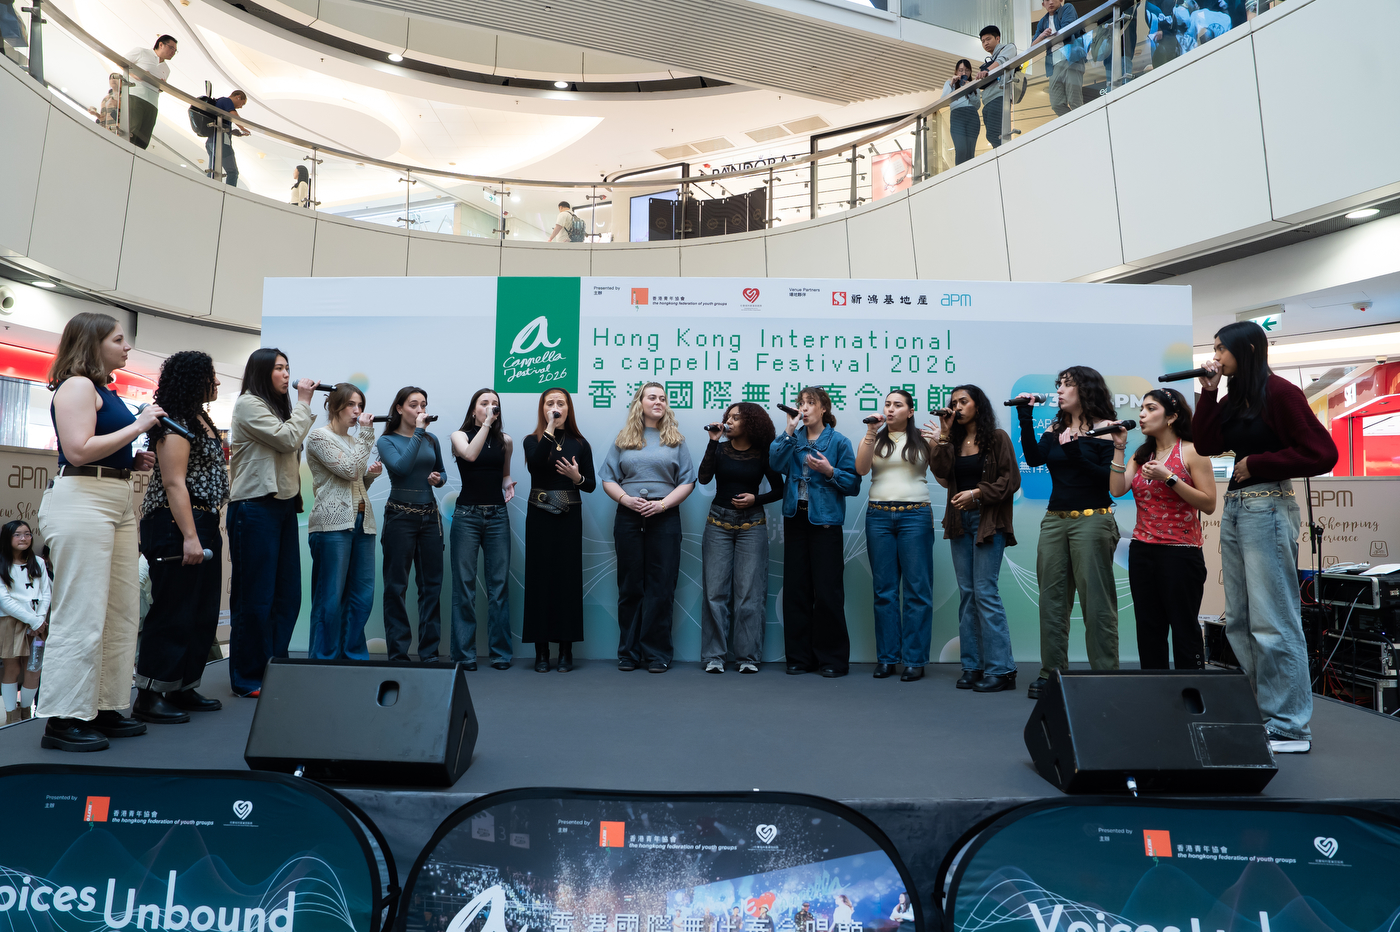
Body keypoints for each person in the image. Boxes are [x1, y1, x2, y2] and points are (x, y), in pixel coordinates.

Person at [1194, 321, 1337, 753]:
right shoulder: (1236, 397)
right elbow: (1205, 443)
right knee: (1239, 620)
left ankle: (1290, 726)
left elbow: (1323, 452)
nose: (1216, 356)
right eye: (1214, 349)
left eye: (1222, 349)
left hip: (1268, 505)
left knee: (1273, 620)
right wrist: (1207, 393)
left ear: (1249, 349)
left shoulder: (1280, 392)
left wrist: (1258, 463)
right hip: (1239, 508)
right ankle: (1266, 714)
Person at [35, 312, 159, 750]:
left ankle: (103, 706)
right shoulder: (76, 385)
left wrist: (130, 458)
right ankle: (63, 717)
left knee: (120, 609)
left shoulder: (104, 389)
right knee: (82, 611)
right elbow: (77, 450)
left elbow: (100, 446)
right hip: (82, 499)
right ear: (93, 343)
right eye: (119, 340)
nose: (127, 347)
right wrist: (139, 427)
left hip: (115, 495)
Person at [132, 351, 229, 724]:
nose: (216, 381)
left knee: (201, 609)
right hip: (175, 523)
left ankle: (182, 685)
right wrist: (189, 535)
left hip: (202, 519)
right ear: (191, 380)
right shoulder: (175, 422)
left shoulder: (200, 418)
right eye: (210, 375)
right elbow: (174, 483)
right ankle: (150, 694)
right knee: (173, 608)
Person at [1015, 366, 1119, 699]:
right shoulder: (1056, 427)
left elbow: (1109, 481)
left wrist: (1076, 454)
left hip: (1093, 519)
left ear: (1085, 389)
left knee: (1096, 601)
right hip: (1054, 519)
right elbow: (1034, 459)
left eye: (1067, 385)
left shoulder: (1107, 429)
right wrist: (1025, 416)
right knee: (1052, 601)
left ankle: (1106, 675)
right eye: (1058, 385)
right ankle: (1051, 673)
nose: (1059, 390)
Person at [1105, 388, 1215, 671]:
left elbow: (1209, 504)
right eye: (1141, 408)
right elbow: (1117, 489)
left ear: (1172, 417)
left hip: (1180, 553)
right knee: (1149, 629)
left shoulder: (1192, 451)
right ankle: (1155, 690)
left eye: (1151, 408)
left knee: (1183, 628)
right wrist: (1119, 448)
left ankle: (1191, 690)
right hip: (1142, 552)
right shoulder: (1141, 455)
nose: (1142, 414)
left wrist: (1169, 478)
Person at [227, 348, 316, 698]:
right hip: (254, 507)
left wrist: (299, 408)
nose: (286, 374)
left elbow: (289, 441)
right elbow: (288, 439)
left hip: (281, 507)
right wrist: (304, 402)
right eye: (279, 368)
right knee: (255, 597)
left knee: (287, 595)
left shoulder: (279, 410)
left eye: (288, 368)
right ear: (262, 372)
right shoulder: (249, 404)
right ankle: (248, 677)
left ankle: (274, 667)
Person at [599, 382, 696, 673]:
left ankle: (657, 654)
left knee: (661, 586)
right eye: (652, 397)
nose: (658, 402)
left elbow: (688, 482)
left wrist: (662, 505)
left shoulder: (676, 440)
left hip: (665, 516)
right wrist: (626, 500)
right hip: (629, 516)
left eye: (663, 398)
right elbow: (608, 479)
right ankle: (628, 653)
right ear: (639, 403)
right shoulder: (623, 438)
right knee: (630, 586)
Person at [929, 384, 1021, 692]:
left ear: (977, 406)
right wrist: (944, 434)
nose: (956, 407)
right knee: (967, 593)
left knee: (984, 591)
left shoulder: (997, 438)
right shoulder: (952, 441)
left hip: (988, 521)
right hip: (959, 522)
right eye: (953, 402)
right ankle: (972, 666)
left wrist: (978, 493)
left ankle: (1002, 670)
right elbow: (941, 471)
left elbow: (1011, 480)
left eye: (963, 401)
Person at [771, 386, 860, 678]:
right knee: (796, 590)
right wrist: (788, 430)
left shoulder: (839, 441)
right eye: (801, 403)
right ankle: (799, 658)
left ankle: (832, 659)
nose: (804, 408)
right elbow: (774, 463)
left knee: (827, 592)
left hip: (825, 523)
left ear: (824, 409)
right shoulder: (792, 438)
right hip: (795, 519)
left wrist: (829, 471)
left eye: (810, 403)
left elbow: (853, 485)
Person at [698, 402, 783, 674]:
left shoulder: (763, 453)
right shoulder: (720, 449)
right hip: (717, 524)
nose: (729, 422)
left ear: (751, 423)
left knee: (750, 593)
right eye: (728, 417)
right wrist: (713, 442)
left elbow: (780, 489)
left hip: (752, 525)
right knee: (715, 593)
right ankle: (714, 656)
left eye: (736, 418)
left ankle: (748, 657)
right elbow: (703, 478)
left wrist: (755, 499)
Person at [855, 390, 932, 682]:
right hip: (879, 516)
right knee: (884, 590)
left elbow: (942, 475)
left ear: (910, 412)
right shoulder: (874, 438)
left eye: (897, 405)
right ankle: (887, 658)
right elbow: (861, 469)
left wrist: (941, 440)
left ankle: (914, 660)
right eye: (887, 404)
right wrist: (870, 432)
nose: (890, 409)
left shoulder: (924, 438)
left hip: (916, 514)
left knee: (917, 590)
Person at [305, 383, 382, 661]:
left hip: (363, 523)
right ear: (335, 406)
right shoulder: (319, 437)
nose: (357, 411)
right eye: (351, 404)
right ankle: (323, 660)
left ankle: (353, 657)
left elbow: (353, 483)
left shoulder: (353, 441)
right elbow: (349, 470)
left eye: (360, 405)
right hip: (331, 526)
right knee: (330, 598)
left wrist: (368, 478)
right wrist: (367, 434)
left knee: (362, 596)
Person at [522, 388, 595, 672]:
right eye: (550, 403)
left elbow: (590, 485)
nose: (555, 407)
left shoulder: (580, 443)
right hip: (539, 515)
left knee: (567, 579)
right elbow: (536, 464)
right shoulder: (532, 440)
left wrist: (577, 477)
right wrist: (550, 429)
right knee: (539, 579)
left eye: (560, 403)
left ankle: (566, 650)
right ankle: (541, 651)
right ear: (543, 409)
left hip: (569, 516)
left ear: (568, 408)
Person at [378, 386, 448, 663]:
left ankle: (429, 653)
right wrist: (418, 431)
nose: (421, 410)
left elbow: (442, 472)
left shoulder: (431, 439)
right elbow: (401, 468)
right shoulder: (387, 441)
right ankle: (398, 654)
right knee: (396, 587)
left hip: (430, 517)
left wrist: (438, 480)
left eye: (423, 405)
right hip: (400, 517)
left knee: (431, 586)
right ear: (399, 408)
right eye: (413, 405)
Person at [449, 389, 516, 671]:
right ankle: (464, 655)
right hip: (467, 515)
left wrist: (508, 484)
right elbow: (470, 455)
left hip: (497, 515)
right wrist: (486, 424)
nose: (491, 407)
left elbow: (504, 473)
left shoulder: (505, 441)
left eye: (495, 404)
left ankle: (500, 654)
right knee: (464, 587)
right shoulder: (459, 436)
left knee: (498, 587)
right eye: (484, 403)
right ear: (474, 409)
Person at [1, 520, 49, 725]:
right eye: (18, 534)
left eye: (27, 534)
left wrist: (39, 620)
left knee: (34, 669)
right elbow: (4, 599)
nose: (24, 538)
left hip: (37, 624)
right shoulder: (2, 562)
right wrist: (32, 620)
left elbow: (46, 593)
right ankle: (11, 715)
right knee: (12, 668)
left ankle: (26, 711)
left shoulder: (38, 562)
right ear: (8, 538)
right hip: (11, 622)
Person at [1033, 0, 1087, 117]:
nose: (1051, 2)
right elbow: (1033, 45)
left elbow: (1066, 29)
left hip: (1071, 59)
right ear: (1043, 4)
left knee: (1074, 100)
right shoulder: (1043, 21)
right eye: (1047, 0)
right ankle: (1073, 124)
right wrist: (1042, 36)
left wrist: (1046, 38)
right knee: (1056, 104)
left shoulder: (1067, 8)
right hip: (1054, 65)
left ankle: (1082, 123)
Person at [124, 34, 177, 150]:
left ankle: (136, 157)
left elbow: (159, 88)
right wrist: (136, 75)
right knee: (131, 130)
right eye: (171, 48)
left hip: (153, 103)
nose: (173, 52)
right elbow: (121, 63)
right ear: (161, 44)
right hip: (136, 95)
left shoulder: (166, 69)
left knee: (144, 137)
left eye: (175, 50)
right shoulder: (141, 52)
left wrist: (162, 87)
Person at [977, 26, 1017, 150]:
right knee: (992, 135)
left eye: (988, 39)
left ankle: (1005, 156)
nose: (985, 43)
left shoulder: (1009, 47)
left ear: (998, 38)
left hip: (999, 96)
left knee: (997, 134)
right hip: (988, 100)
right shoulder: (991, 59)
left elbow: (1002, 61)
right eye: (983, 41)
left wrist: (986, 71)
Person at [207, 90, 250, 187]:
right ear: (238, 97)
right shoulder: (227, 101)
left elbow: (222, 123)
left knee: (213, 170)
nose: (240, 107)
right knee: (233, 172)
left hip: (211, 141)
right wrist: (243, 128)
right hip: (221, 143)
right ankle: (229, 193)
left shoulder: (220, 102)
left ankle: (209, 188)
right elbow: (234, 115)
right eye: (242, 103)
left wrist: (233, 132)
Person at [943, 59, 981, 166]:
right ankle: (960, 174)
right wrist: (952, 84)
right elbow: (943, 100)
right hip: (957, 115)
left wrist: (970, 89)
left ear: (970, 72)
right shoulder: (949, 83)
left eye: (967, 70)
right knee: (961, 149)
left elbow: (977, 105)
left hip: (972, 116)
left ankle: (971, 174)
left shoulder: (974, 84)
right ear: (956, 71)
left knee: (970, 151)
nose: (964, 73)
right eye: (961, 70)